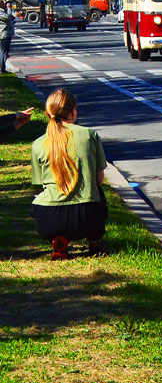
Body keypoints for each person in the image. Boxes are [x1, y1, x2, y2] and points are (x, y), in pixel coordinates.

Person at [31, 89, 108, 260]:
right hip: (86, 217)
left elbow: (40, 184)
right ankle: (95, 241)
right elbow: (99, 178)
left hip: (48, 220)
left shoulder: (38, 144)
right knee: (98, 192)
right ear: (73, 111)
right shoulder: (89, 135)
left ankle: (59, 241)